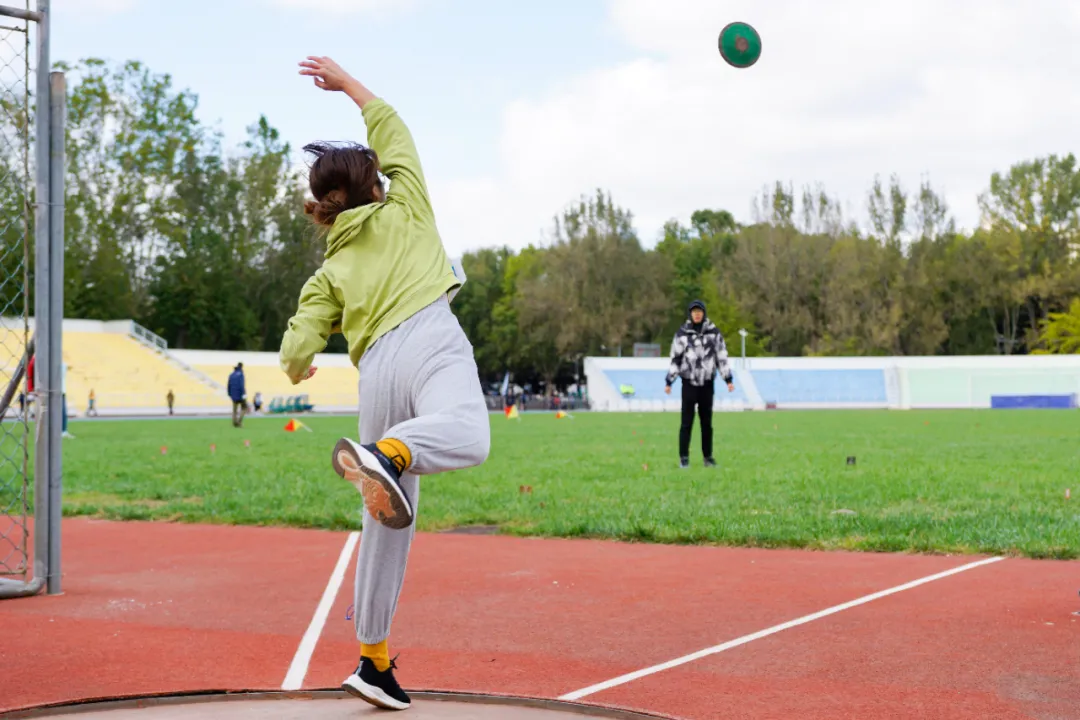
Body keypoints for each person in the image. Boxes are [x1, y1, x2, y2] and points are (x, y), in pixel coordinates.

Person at [279, 56, 490, 711]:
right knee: (469, 434)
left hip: (375, 371)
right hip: (429, 336)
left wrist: (299, 366)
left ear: (327, 207)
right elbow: (392, 126)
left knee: (385, 521)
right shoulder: (408, 206)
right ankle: (390, 454)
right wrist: (347, 85)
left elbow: (298, 340)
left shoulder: (330, 271)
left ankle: (373, 661)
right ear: (376, 185)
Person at [664, 300, 734, 468]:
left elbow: (721, 357)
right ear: (690, 314)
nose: (697, 314)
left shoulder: (714, 333)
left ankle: (708, 457)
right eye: (694, 311)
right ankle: (684, 458)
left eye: (699, 311)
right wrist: (669, 380)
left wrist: (728, 379)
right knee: (686, 423)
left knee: (706, 423)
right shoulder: (682, 334)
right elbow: (676, 358)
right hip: (688, 383)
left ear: (704, 313)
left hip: (707, 384)